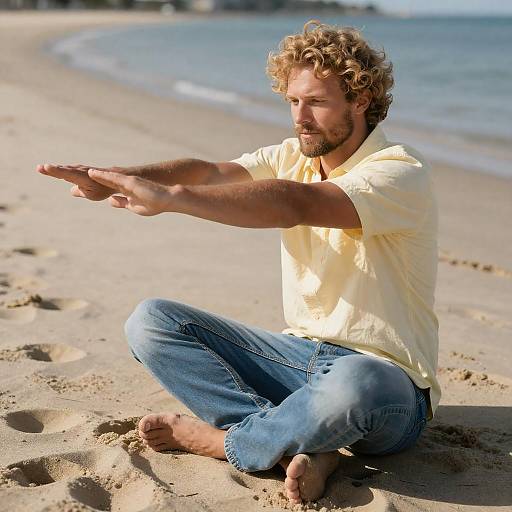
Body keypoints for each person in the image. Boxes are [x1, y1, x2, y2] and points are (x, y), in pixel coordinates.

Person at [37, 21, 440, 505]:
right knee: (151, 321)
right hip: (296, 361)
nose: (300, 117)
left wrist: (172, 199)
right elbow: (209, 172)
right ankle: (310, 446)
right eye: (293, 101)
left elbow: (295, 203)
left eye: (316, 102)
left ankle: (230, 442)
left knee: (358, 379)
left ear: (361, 98)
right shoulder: (293, 154)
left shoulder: (399, 171)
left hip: (389, 386)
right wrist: (114, 177)